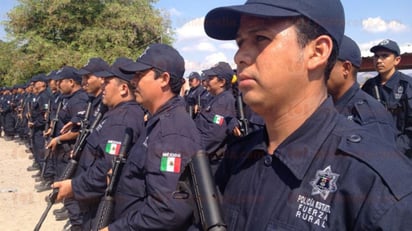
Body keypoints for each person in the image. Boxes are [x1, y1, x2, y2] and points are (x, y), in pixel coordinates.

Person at [204, 0, 412, 230]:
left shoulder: (374, 185)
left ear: (317, 52)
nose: (240, 57)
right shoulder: (239, 156)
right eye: (240, 42)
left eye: (260, 38)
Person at [95, 43, 202, 230]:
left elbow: (168, 209)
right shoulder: (158, 119)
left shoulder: (172, 130)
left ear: (164, 79)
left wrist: (117, 229)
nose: (133, 81)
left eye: (139, 75)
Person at [52, 57, 146, 230]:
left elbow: (108, 168)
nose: (103, 85)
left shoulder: (123, 119)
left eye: (108, 82)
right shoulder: (113, 112)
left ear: (124, 89)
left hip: (103, 204)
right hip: (93, 200)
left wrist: (74, 186)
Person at [327, 35, 397, 146]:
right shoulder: (326, 106)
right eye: (377, 56)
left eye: (325, 64)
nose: (379, 60)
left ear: (346, 68)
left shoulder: (371, 117)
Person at [361, 39, 412, 158]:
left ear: (397, 60)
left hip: (403, 155)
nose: (379, 60)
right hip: (374, 151)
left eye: (385, 56)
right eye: (376, 56)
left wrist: (395, 148)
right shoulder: (369, 86)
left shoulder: (407, 86)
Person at [194, 62, 237, 171]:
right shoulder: (215, 99)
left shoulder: (224, 101)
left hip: (212, 163)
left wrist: (192, 151)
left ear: (222, 82)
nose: (206, 81)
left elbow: (214, 135)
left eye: (211, 78)